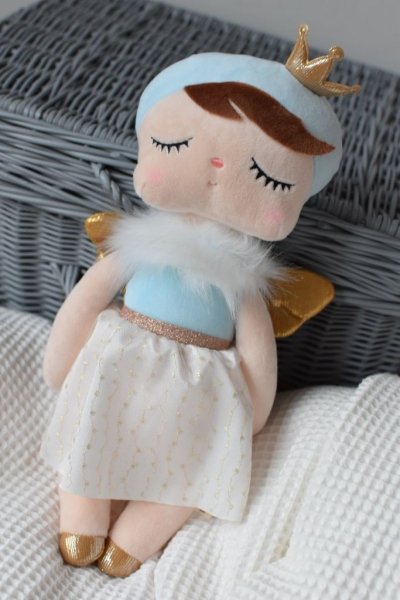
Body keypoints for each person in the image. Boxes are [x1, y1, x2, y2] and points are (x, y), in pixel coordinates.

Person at [40, 26, 359, 577]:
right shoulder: (139, 245)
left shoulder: (243, 279)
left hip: (201, 383)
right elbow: (89, 297)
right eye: (174, 146)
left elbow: (257, 351)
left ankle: (136, 536)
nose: (218, 170)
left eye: (264, 174)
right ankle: (82, 516)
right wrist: (61, 358)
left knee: (190, 462)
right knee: (92, 428)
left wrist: (252, 411)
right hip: (123, 358)